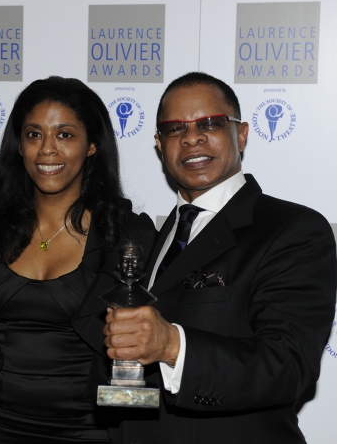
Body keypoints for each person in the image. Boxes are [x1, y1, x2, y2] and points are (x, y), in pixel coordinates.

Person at [104, 71, 336, 443]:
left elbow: (289, 364)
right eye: (175, 128)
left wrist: (171, 345)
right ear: (160, 145)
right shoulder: (150, 237)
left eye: (210, 123)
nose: (192, 137)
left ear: (241, 134)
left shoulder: (293, 229)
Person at [0, 76, 156, 443]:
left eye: (65, 134)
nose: (47, 150)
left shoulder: (126, 238)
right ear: (19, 144)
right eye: (34, 135)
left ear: (92, 145)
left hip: (88, 432)